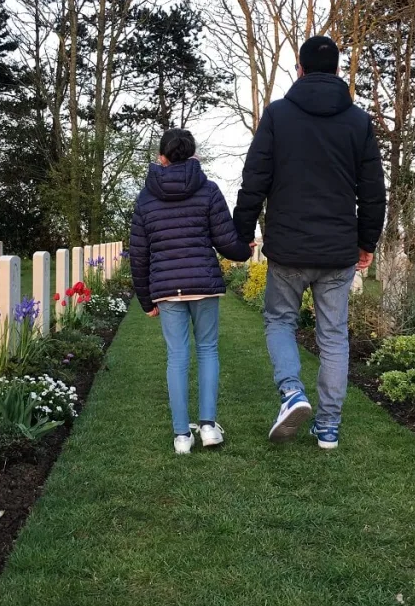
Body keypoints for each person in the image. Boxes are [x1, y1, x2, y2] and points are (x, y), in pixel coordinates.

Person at [234, 36, 386, 449]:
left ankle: (291, 391)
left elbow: (255, 180)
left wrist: (242, 232)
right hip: (338, 250)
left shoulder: (278, 116)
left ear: (298, 69)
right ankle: (328, 427)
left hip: (288, 248)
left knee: (280, 320)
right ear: (338, 71)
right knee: (333, 335)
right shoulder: (358, 122)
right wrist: (367, 240)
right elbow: (373, 190)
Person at [130, 128, 252, 454]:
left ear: (161, 157)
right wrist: (245, 250)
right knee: (208, 350)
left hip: (167, 289)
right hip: (204, 283)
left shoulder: (145, 199)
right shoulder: (208, 190)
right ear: (193, 155)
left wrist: (146, 300)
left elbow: (139, 255)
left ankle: (182, 436)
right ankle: (209, 427)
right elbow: (226, 241)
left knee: (177, 358)